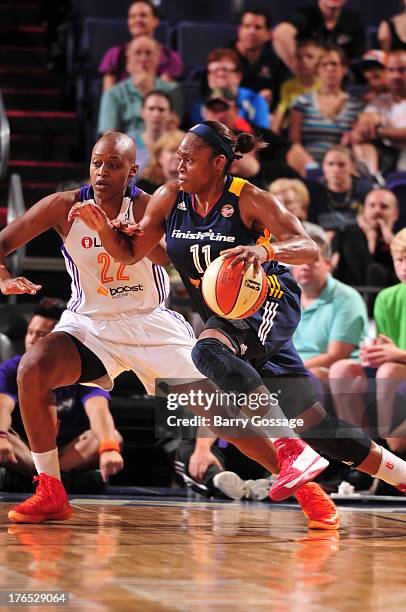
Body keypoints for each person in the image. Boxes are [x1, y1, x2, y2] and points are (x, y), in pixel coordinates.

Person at [0, 131, 334, 525]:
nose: (101, 172)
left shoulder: (153, 204)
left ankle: (309, 491)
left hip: (151, 324)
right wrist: (4, 278)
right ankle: (50, 489)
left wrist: (117, 232)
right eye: (96, 163)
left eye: (113, 165)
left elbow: (168, 258)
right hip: (90, 324)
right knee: (31, 369)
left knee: (223, 417)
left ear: (133, 171)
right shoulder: (63, 206)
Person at [72, 122, 406, 510]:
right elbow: (129, 253)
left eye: (189, 159)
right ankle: (400, 474)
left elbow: (307, 247)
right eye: (178, 157)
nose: (179, 165)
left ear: (217, 163)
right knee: (315, 424)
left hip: (269, 299)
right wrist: (106, 230)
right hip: (229, 314)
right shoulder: (169, 198)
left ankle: (289, 450)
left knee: (206, 351)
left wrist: (266, 253)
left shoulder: (250, 199)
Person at [0, 298, 123, 490]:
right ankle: (54, 478)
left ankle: (43, 479)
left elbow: (98, 409)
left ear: (59, 340)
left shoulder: (85, 371)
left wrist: (109, 448)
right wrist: (1, 436)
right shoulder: (13, 369)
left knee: (112, 436)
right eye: (30, 332)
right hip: (28, 452)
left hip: (69, 452)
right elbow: (2, 405)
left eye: (41, 335)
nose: (32, 340)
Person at [329, 228, 406, 453]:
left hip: (395, 369)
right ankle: (360, 456)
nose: (404, 266)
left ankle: (387, 454)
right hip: (396, 370)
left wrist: (395, 355)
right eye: (400, 259)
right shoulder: (387, 297)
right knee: (342, 370)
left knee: (388, 372)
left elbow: (394, 357)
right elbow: (387, 348)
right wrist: (373, 353)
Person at [291, 224, 368, 385]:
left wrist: (289, 371)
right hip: (293, 370)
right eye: (300, 260)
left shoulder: (347, 298)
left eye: (313, 260)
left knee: (311, 378)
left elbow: (336, 356)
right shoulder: (286, 297)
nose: (305, 266)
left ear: (328, 264)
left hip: (331, 372)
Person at [289, 45, 363, 171]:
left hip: (340, 164)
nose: (330, 69)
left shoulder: (356, 105)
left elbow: (356, 140)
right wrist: (312, 167)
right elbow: (294, 142)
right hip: (307, 162)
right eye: (324, 65)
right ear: (317, 69)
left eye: (334, 64)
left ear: (344, 69)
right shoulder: (302, 101)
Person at [97, 36, 179, 137]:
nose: (143, 58)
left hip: (164, 147)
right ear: (128, 58)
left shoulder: (172, 90)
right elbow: (109, 137)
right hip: (127, 148)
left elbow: (172, 129)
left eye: (148, 53)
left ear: (158, 58)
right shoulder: (113, 94)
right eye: (137, 53)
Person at [344, 50, 406, 176]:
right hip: (386, 154)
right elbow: (364, 125)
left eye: (402, 70)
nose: (396, 75)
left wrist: (378, 132)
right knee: (360, 147)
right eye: (391, 70)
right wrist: (365, 125)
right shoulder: (379, 101)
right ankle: (374, 180)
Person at [99, 0, 183, 91]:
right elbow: (108, 95)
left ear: (156, 21)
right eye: (132, 16)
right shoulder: (114, 54)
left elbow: (165, 94)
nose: (137, 20)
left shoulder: (169, 57)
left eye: (143, 15)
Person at [273, 0, 365, 75]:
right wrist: (297, 70)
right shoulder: (305, 15)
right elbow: (281, 34)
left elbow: (358, 59)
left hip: (337, 83)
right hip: (307, 82)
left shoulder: (354, 20)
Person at [332, 188, 399, 288]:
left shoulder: (401, 236)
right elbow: (333, 267)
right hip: (353, 294)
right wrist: (370, 240)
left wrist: (392, 242)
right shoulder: (344, 234)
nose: (377, 211)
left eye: (384, 206)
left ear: (395, 214)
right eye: (372, 206)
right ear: (364, 211)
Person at [190, 48, 270, 129]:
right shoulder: (199, 105)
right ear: (209, 78)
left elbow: (263, 135)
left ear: (238, 76)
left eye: (225, 70)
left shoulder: (255, 101)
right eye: (215, 71)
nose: (220, 75)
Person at [306, 145, 373, 232]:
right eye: (330, 164)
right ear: (323, 167)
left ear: (352, 166)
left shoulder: (365, 189)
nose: (336, 169)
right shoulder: (313, 191)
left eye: (341, 165)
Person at [230, 8, 288, 109]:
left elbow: (280, 100)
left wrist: (271, 101)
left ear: (268, 35)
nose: (251, 32)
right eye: (247, 26)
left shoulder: (276, 63)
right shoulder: (224, 58)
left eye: (258, 27)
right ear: (239, 30)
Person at [272, 40, 322, 135]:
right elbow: (281, 112)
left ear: (319, 60)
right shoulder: (289, 86)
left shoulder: (324, 85)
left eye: (309, 57)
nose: (304, 61)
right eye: (299, 57)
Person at [133, 90, 173, 177]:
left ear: (170, 114)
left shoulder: (179, 144)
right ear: (142, 112)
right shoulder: (127, 143)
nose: (156, 114)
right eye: (151, 108)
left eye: (161, 109)